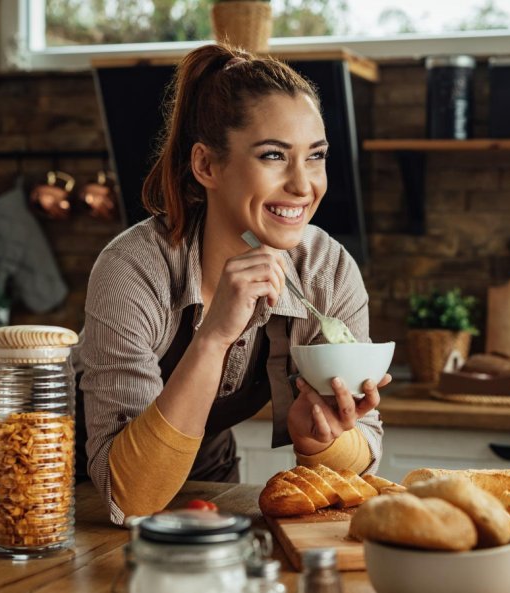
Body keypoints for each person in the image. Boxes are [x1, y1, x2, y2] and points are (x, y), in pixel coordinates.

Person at [80, 43, 392, 525]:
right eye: (273, 155)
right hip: (78, 495)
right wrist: (215, 336)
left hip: (207, 477)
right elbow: (130, 499)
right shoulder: (132, 269)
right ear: (207, 166)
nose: (303, 185)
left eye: (315, 157)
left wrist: (323, 441)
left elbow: (361, 460)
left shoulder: (326, 268)